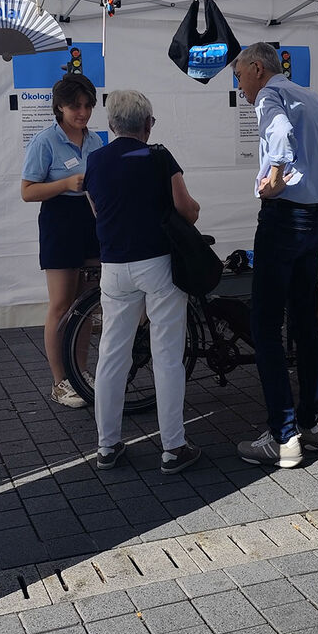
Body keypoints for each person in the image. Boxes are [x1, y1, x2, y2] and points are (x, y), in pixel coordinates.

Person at [232, 43, 318, 468]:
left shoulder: (271, 96)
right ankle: (312, 425)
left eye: (239, 76)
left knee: (266, 325)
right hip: (313, 219)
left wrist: (274, 178)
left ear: (257, 68)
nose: (240, 88)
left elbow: (277, 133)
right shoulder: (310, 97)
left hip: (283, 219)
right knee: (306, 322)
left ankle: (283, 436)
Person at [82, 91, 203, 474]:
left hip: (115, 267)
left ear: (111, 125)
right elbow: (187, 210)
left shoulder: (95, 160)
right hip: (158, 265)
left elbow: (97, 210)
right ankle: (173, 448)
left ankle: (107, 446)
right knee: (167, 356)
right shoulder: (160, 157)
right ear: (147, 124)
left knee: (112, 355)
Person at [20, 73, 102, 408]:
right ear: (60, 107)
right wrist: (66, 184)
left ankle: (79, 374)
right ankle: (60, 382)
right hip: (59, 222)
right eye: (75, 106)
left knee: (86, 305)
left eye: (87, 106)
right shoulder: (44, 142)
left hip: (91, 223)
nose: (82, 113)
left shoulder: (96, 141)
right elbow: (27, 192)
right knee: (61, 305)